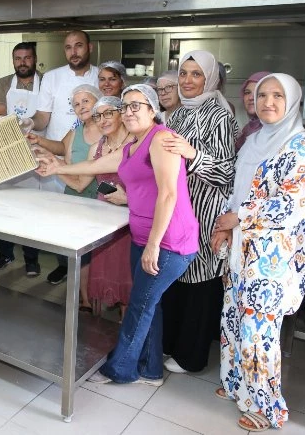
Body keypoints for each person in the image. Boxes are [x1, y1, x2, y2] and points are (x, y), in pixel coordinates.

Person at [38, 84, 198, 387]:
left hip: (167, 241)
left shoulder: (161, 139)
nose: (129, 111)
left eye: (137, 105)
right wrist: (57, 168)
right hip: (144, 237)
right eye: (125, 106)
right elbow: (95, 165)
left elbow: (168, 195)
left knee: (139, 306)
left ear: (153, 110)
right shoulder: (132, 146)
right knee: (150, 305)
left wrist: (152, 245)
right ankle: (150, 370)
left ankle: (120, 370)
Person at [212, 73, 305, 431]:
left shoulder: (301, 146)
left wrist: (237, 217)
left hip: (271, 259)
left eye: (277, 96)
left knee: (259, 333)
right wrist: (225, 229)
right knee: (233, 321)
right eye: (262, 96)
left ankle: (268, 407)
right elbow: (236, 188)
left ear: (292, 102)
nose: (268, 103)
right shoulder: (254, 140)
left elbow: (293, 206)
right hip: (240, 252)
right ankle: (237, 384)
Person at [161, 50, 238, 374]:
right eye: (183, 73)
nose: (187, 80)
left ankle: (191, 356)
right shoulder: (176, 116)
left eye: (196, 74)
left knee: (198, 285)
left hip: (204, 213)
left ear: (210, 79)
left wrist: (192, 155)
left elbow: (226, 172)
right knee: (175, 279)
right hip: (176, 211)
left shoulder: (220, 116)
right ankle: (170, 344)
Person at [28, 84, 103, 282]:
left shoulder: (107, 131)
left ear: (98, 101)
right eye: (76, 104)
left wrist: (54, 166)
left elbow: (82, 184)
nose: (81, 107)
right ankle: (78, 292)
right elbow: (62, 146)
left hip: (95, 200)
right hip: (72, 196)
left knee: (92, 255)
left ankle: (86, 296)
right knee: (72, 249)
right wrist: (39, 141)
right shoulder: (78, 128)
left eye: (86, 101)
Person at [0, 42, 43, 272]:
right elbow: (0, 110)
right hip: (8, 150)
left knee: (32, 209)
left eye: (27, 58)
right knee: (6, 207)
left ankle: (31, 259)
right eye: (18, 58)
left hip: (36, 149)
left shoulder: (46, 82)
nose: (22, 62)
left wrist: (30, 124)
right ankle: (5, 253)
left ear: (34, 59)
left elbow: (45, 115)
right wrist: (19, 123)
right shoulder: (3, 83)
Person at [31, 30, 100, 193]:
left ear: (90, 47)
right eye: (68, 48)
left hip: (91, 158)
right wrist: (30, 123)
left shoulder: (102, 77)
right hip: (55, 155)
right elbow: (42, 116)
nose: (73, 52)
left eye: (79, 46)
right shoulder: (51, 77)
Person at [85, 96, 133, 317]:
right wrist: (51, 165)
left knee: (127, 278)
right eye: (97, 116)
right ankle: (97, 336)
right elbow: (80, 182)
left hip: (131, 222)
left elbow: (154, 188)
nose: (102, 120)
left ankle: (126, 340)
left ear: (121, 114)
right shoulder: (96, 147)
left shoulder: (137, 143)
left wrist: (128, 199)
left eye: (108, 113)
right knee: (103, 274)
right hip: (102, 222)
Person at [235, 71, 271, 151]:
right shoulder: (247, 129)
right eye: (247, 93)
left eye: (258, 93)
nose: (251, 97)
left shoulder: (275, 132)